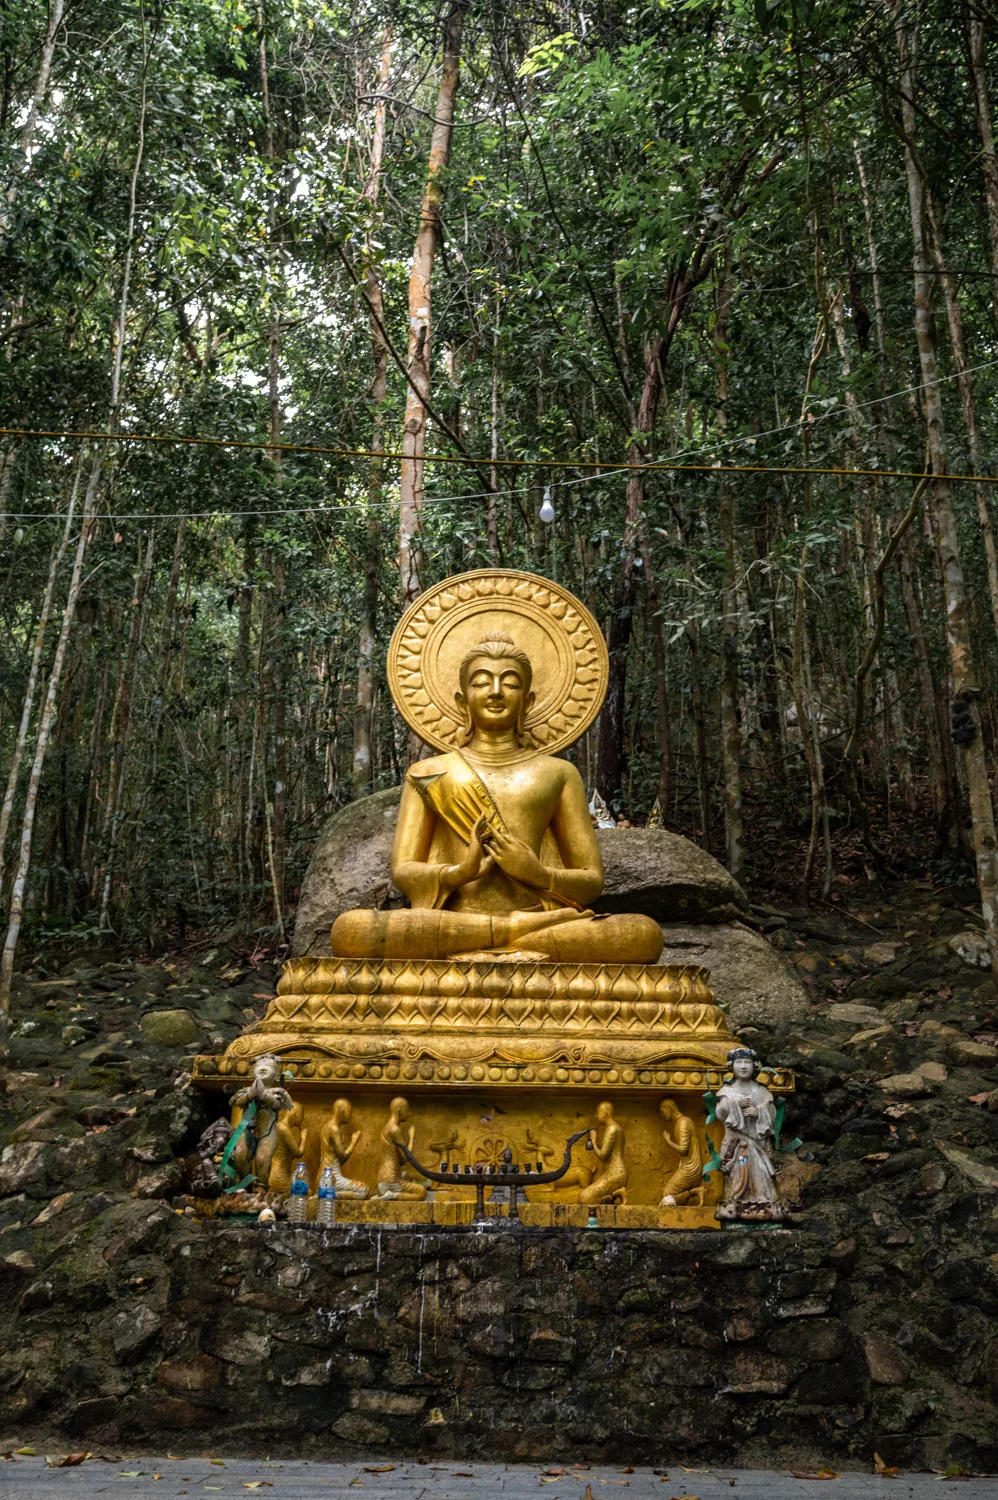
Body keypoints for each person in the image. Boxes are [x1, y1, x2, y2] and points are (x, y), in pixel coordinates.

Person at [331, 633, 663, 964]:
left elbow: (591, 879)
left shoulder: (558, 773)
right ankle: (506, 933)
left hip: (539, 919)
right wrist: (460, 871)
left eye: (510, 683)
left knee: (641, 934)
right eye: (481, 682)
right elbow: (403, 870)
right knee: (352, 930)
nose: (495, 692)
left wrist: (538, 875)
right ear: (463, 701)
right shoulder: (428, 772)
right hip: (454, 921)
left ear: (528, 701)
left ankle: (502, 933)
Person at [715, 1047, 787, 1220]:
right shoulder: (727, 1091)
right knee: (738, 1174)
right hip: (737, 1143)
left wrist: (758, 1112)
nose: (743, 1066)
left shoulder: (761, 1091)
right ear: (731, 1066)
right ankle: (736, 1203)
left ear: (754, 1066)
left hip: (758, 1143)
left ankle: (764, 1202)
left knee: (761, 1172)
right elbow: (720, 1113)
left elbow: (772, 1114)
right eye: (739, 1062)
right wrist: (734, 1105)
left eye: (747, 1062)